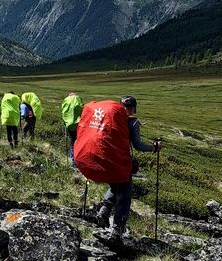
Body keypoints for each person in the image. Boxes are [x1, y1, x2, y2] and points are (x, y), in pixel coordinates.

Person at [74, 94, 162, 236]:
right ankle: (117, 230)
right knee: (125, 194)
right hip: (116, 163)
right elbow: (138, 145)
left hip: (101, 159)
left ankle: (103, 212)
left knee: (115, 186)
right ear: (133, 109)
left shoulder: (108, 117)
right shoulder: (132, 122)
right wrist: (154, 148)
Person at [61, 91, 83, 166]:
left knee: (72, 142)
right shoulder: (77, 100)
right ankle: (76, 162)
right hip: (79, 125)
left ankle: (72, 160)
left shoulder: (66, 102)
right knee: (78, 142)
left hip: (69, 125)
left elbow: (64, 113)